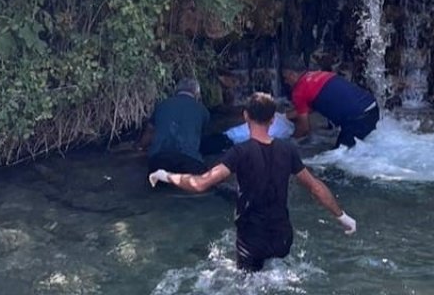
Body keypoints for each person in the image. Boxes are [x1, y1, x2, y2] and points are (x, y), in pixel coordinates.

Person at [148, 92, 357, 272]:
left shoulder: (239, 152)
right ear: (273, 120)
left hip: (252, 240)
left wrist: (166, 175)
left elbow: (201, 183)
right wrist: (342, 216)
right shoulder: (288, 150)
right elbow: (315, 187)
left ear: (245, 115)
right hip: (282, 237)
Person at [282, 58, 379, 148]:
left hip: (357, 119)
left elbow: (304, 128)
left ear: (292, 75)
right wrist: (286, 116)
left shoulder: (299, 90)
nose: (285, 82)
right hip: (372, 108)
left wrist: (288, 141)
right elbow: (316, 103)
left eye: (285, 78)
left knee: (339, 156)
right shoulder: (321, 74)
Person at [137, 77, 209, 175]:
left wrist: (140, 147)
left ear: (176, 90)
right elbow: (199, 138)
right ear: (197, 94)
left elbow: (149, 131)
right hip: (189, 161)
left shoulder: (161, 105)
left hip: (158, 160)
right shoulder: (203, 110)